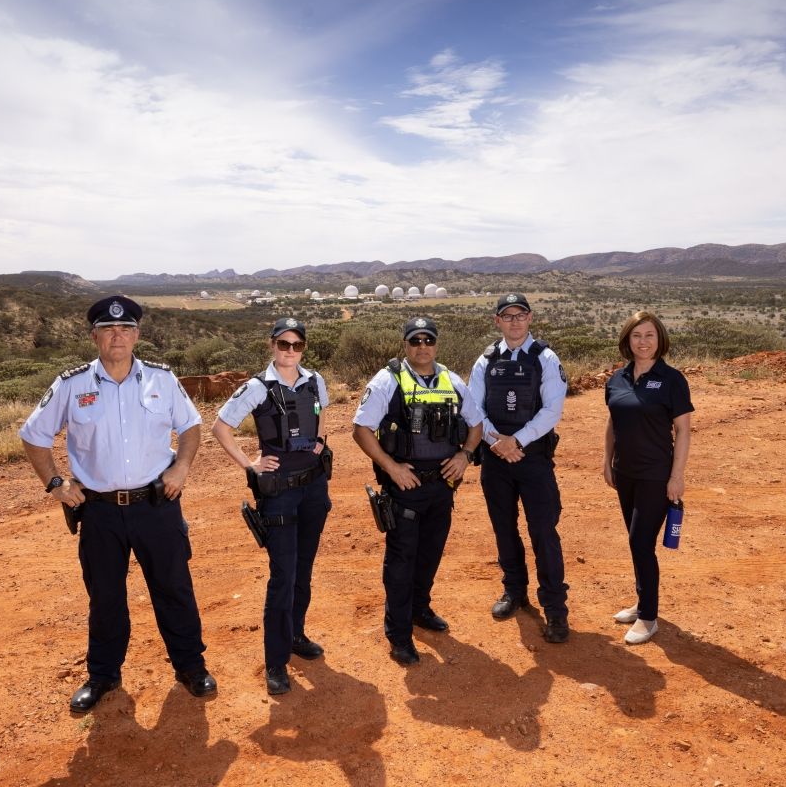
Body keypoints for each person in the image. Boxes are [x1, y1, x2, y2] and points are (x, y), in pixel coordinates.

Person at [20, 295, 215, 712]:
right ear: (94, 336)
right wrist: (55, 483)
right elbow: (33, 435)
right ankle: (104, 675)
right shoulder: (72, 385)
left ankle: (190, 666)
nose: (117, 336)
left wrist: (181, 467)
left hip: (157, 504)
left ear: (137, 335)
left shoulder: (162, 379)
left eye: (125, 329)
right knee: (105, 597)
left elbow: (192, 426)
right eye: (108, 330)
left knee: (174, 589)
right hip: (101, 510)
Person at [352, 317, 484, 665]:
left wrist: (465, 456)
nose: (422, 347)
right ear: (406, 345)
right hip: (403, 488)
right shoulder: (388, 380)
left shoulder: (452, 380)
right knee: (401, 562)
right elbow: (361, 429)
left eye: (428, 340)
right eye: (415, 341)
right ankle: (398, 634)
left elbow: (476, 424)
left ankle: (420, 610)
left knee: (430, 555)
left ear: (436, 344)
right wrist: (392, 467)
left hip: (442, 486)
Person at [212, 318, 332, 696]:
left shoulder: (315, 380)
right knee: (283, 575)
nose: (290, 351)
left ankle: (296, 634)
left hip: (314, 488)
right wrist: (250, 464)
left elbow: (321, 415)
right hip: (279, 492)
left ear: (304, 348)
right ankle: (276, 661)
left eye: (297, 345)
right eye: (284, 344)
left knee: (304, 569)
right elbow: (220, 427)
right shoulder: (256, 387)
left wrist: (320, 442)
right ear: (272, 345)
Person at [467, 293, 570, 643]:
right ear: (497, 321)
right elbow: (473, 407)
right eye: (507, 316)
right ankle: (514, 591)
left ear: (529, 318)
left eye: (520, 315)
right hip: (496, 459)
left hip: (533, 459)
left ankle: (555, 609)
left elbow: (552, 410)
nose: (514, 321)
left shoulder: (545, 358)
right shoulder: (485, 361)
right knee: (504, 528)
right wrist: (497, 443)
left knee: (543, 531)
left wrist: (517, 441)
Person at [602, 310, 693, 645]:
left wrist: (676, 476)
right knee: (635, 541)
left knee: (641, 542)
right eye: (637, 335)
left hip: (657, 474)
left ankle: (649, 617)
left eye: (649, 335)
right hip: (625, 472)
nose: (643, 342)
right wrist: (606, 460)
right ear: (628, 339)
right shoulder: (616, 379)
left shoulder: (671, 380)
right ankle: (642, 602)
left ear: (660, 339)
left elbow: (683, 430)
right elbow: (613, 422)